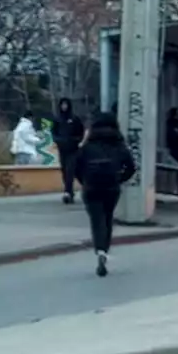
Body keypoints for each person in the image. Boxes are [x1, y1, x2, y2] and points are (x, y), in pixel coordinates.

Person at [73, 112, 136, 277]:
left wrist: (84, 181)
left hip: (91, 187)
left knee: (96, 220)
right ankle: (104, 250)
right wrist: (119, 179)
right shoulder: (119, 144)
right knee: (107, 218)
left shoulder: (88, 145)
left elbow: (76, 167)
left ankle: (99, 250)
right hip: (112, 187)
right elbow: (130, 167)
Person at [51, 98, 85, 205]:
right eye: (62, 105)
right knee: (65, 171)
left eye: (66, 104)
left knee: (70, 170)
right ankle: (69, 191)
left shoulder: (75, 119)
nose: (64, 106)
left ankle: (67, 192)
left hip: (73, 149)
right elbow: (53, 132)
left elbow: (81, 132)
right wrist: (58, 141)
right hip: (62, 149)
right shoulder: (57, 119)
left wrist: (75, 141)